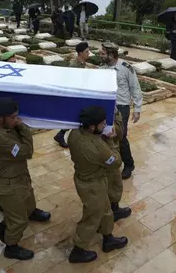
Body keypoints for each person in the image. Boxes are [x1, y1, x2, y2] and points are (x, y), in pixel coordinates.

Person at [0, 98, 51, 261]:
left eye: (17, 117)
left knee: (29, 202)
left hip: (19, 176)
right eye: (13, 117)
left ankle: (4, 226)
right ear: (1, 118)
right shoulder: (0, 138)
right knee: (19, 220)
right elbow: (27, 151)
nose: (17, 120)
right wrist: (23, 127)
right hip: (9, 183)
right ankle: (11, 246)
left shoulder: (6, 126)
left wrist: (17, 125)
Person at [67, 106, 128, 263]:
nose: (104, 126)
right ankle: (78, 250)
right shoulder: (98, 146)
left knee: (105, 209)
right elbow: (116, 162)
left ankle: (108, 238)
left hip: (87, 180)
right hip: (92, 184)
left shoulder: (74, 134)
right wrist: (108, 140)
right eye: (102, 123)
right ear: (92, 126)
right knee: (91, 217)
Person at [99, 42, 143, 179]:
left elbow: (135, 87)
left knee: (121, 137)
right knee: (106, 135)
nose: (100, 55)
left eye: (103, 53)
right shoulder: (102, 68)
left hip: (121, 108)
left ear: (112, 55)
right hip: (106, 106)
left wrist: (137, 109)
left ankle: (129, 164)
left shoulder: (125, 68)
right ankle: (109, 162)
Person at [53, 42, 91, 148]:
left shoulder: (81, 63)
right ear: (80, 53)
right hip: (74, 95)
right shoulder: (74, 65)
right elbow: (69, 81)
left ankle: (61, 134)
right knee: (76, 117)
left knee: (76, 117)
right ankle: (63, 135)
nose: (89, 53)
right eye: (86, 52)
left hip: (79, 94)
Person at [105, 109, 131, 221]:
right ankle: (112, 211)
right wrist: (116, 114)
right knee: (114, 182)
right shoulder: (108, 110)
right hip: (107, 151)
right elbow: (118, 135)